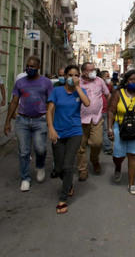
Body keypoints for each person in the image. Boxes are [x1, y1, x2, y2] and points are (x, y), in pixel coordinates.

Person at [4, 56, 53, 192]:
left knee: (40, 148)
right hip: (22, 120)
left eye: (32, 66)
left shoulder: (46, 83)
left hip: (40, 120)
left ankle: (40, 165)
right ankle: (25, 178)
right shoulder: (20, 82)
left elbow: (51, 103)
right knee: (24, 151)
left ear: (38, 68)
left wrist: (51, 123)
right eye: (28, 66)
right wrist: (7, 121)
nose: (29, 68)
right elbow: (14, 101)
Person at [47, 65, 90, 214]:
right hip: (58, 133)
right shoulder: (57, 91)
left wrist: (78, 88)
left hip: (74, 132)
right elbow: (50, 110)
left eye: (76, 75)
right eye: (70, 75)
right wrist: (51, 128)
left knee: (68, 165)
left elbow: (87, 103)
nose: (73, 78)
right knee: (58, 168)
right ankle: (68, 184)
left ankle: (63, 198)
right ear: (65, 76)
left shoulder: (80, 91)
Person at [107, 70, 135, 195]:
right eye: (131, 80)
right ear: (126, 81)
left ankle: (131, 183)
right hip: (119, 127)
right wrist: (109, 128)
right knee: (118, 155)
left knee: (133, 155)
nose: (133, 82)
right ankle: (118, 166)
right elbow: (111, 111)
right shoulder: (118, 93)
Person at [77, 62, 110, 180]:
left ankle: (94, 160)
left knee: (97, 142)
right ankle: (82, 169)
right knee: (81, 146)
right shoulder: (78, 82)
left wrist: (110, 109)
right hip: (80, 119)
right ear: (83, 72)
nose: (93, 72)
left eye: (94, 69)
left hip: (97, 118)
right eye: (90, 70)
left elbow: (107, 94)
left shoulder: (99, 81)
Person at [100, 70, 114, 155]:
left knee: (106, 129)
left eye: (109, 76)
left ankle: (107, 148)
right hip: (97, 111)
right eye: (106, 76)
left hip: (107, 110)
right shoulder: (97, 85)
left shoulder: (109, 85)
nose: (108, 78)